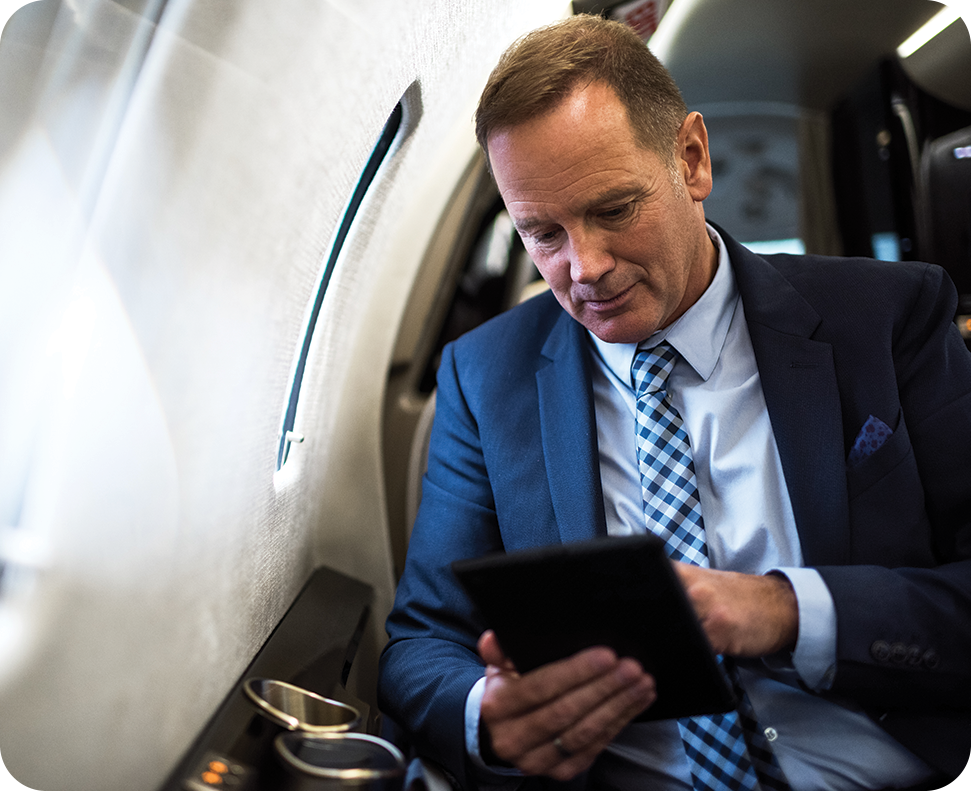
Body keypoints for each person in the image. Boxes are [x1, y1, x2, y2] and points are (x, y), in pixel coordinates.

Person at [378, 14, 971, 791]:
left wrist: (781, 609)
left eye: (614, 209)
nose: (582, 267)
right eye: (542, 233)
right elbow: (422, 640)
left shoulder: (889, 317)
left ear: (691, 159)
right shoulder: (483, 377)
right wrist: (485, 713)